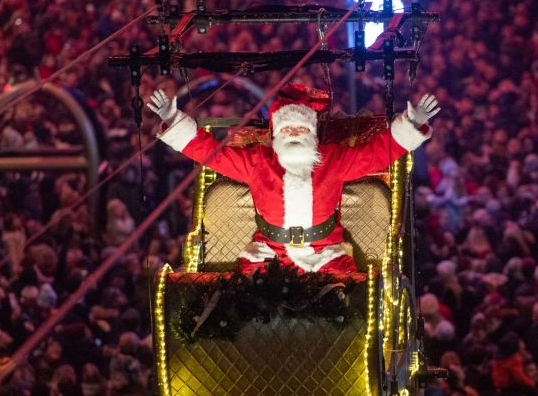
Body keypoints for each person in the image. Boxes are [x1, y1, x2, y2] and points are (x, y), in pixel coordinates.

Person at [148, 83, 439, 273]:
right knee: (239, 303)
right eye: (289, 131)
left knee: (350, 305)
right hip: (268, 253)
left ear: (312, 134)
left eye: (301, 131)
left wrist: (410, 126)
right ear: (277, 134)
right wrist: (175, 123)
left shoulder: (332, 160)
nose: (295, 136)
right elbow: (211, 154)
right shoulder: (258, 162)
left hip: (325, 254)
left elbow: (376, 154)